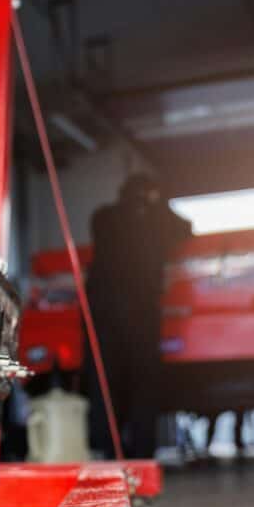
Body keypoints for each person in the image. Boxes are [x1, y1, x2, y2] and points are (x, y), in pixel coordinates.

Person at [85, 174, 192, 458]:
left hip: (104, 310)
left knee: (106, 381)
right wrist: (158, 204)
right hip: (139, 309)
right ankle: (142, 451)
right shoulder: (154, 222)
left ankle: (109, 450)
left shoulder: (104, 217)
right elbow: (186, 229)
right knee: (143, 380)